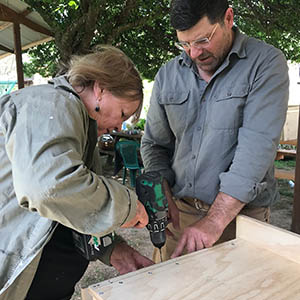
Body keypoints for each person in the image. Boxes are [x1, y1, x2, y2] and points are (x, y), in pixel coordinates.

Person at [0, 45, 154, 300]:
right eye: (123, 113)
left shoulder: (80, 127)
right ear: (101, 88)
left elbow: (72, 208)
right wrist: (129, 206)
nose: (119, 125)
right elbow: (49, 188)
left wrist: (114, 250)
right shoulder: (52, 103)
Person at [141, 0, 289, 263]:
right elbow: (154, 144)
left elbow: (256, 149)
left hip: (241, 217)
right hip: (180, 212)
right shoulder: (168, 74)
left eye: (202, 40)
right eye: (185, 44)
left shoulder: (265, 64)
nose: (194, 53)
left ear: (228, 18)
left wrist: (216, 219)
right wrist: (161, 187)